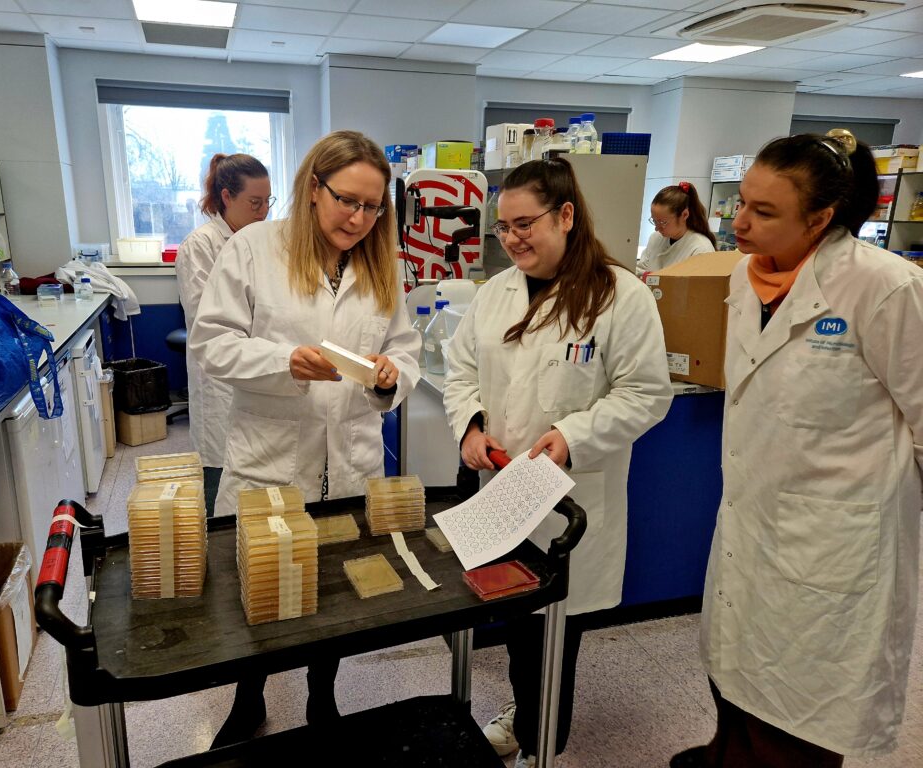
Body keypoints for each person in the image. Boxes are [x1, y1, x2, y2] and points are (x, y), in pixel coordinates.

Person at [670, 130, 923, 768]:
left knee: (800, 711)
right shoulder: (743, 278)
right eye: (741, 204)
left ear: (820, 219)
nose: (739, 222)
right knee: (734, 671)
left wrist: (880, 513)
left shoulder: (885, 287)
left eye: (764, 212)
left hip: (837, 544)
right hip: (751, 520)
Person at [189, 130, 421, 746]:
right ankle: (250, 698)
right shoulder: (254, 248)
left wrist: (392, 376)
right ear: (313, 187)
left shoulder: (382, 262)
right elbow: (211, 343)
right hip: (270, 457)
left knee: (336, 593)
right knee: (259, 587)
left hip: (349, 457)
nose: (359, 218)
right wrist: (284, 361)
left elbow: (403, 347)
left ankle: (324, 696)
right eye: (348, 200)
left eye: (374, 207)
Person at [443, 158, 673, 768]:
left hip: (570, 500)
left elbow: (647, 394)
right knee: (517, 623)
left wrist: (572, 436)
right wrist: (469, 423)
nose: (513, 237)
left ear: (566, 215)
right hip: (501, 487)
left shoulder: (620, 295)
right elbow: (460, 370)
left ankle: (544, 741)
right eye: (503, 227)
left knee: (553, 635)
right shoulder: (495, 295)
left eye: (526, 223)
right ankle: (528, 719)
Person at [176, 153, 272, 516]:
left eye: (267, 202)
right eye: (254, 202)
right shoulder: (199, 246)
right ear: (227, 197)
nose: (263, 212)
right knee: (219, 472)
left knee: (255, 476)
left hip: (258, 372)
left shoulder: (262, 241)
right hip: (219, 381)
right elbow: (207, 324)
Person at [636, 181, 716, 273]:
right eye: (654, 221)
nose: (657, 228)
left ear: (684, 215)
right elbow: (640, 270)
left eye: (662, 222)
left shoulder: (701, 249)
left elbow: (700, 285)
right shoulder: (656, 238)